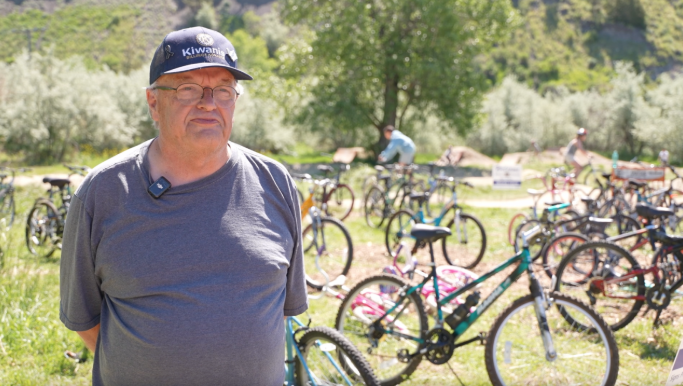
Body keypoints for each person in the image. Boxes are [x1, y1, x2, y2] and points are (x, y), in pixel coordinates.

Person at [59, 27, 308, 386]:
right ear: (153, 103)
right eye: (188, 88)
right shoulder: (103, 192)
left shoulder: (276, 183)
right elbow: (85, 319)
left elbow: (279, 308)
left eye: (223, 89)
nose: (208, 102)